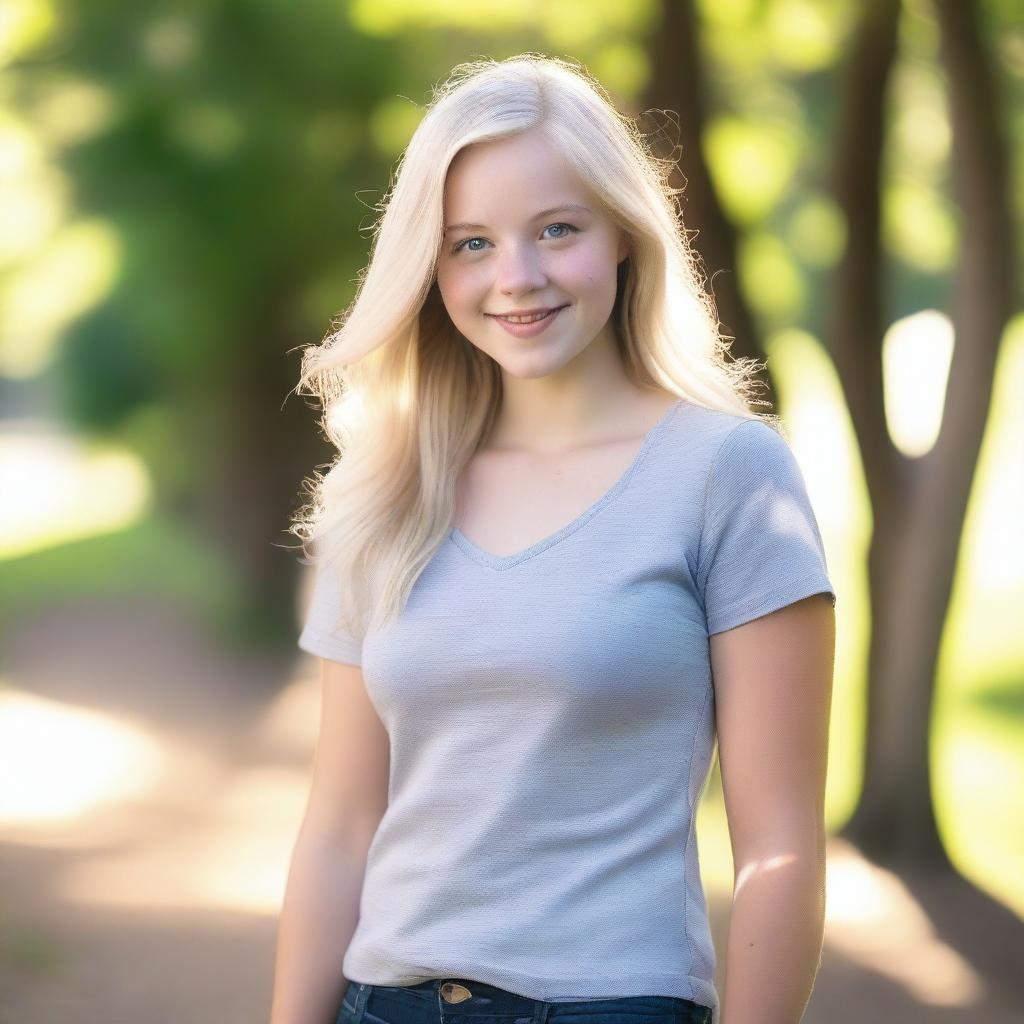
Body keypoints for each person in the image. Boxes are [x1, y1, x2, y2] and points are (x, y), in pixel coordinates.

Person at [270, 54, 837, 1024]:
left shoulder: (728, 473)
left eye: (556, 230)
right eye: (470, 244)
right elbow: (338, 827)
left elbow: (779, 842)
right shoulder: (382, 488)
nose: (516, 278)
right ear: (427, 263)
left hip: (611, 1004)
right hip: (386, 1004)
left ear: (622, 231)